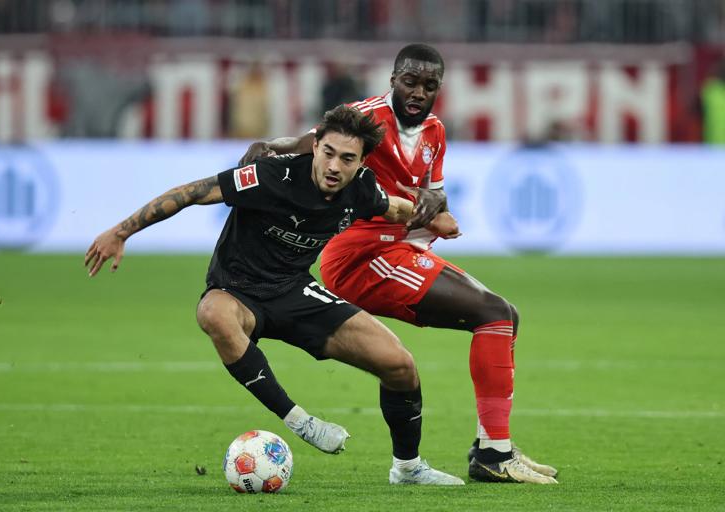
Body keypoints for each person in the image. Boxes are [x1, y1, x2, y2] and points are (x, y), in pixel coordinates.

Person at [85, 105, 464, 486]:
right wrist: (121, 231)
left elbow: (394, 208)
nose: (334, 166)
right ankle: (300, 421)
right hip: (237, 291)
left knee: (399, 364)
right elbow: (190, 193)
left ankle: (408, 467)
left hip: (295, 291)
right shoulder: (271, 176)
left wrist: (431, 217)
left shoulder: (362, 187)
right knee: (212, 314)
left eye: (347, 158)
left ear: (362, 162)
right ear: (315, 146)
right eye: (328, 152)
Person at [239, 44, 559, 484]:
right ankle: (493, 454)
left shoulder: (435, 132)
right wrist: (267, 146)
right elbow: (308, 145)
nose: (418, 92)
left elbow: (436, 192)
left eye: (430, 86)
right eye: (410, 82)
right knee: (494, 314)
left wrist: (434, 206)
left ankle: (491, 445)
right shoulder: (366, 118)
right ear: (393, 80)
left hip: (401, 251)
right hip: (361, 256)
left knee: (505, 318)